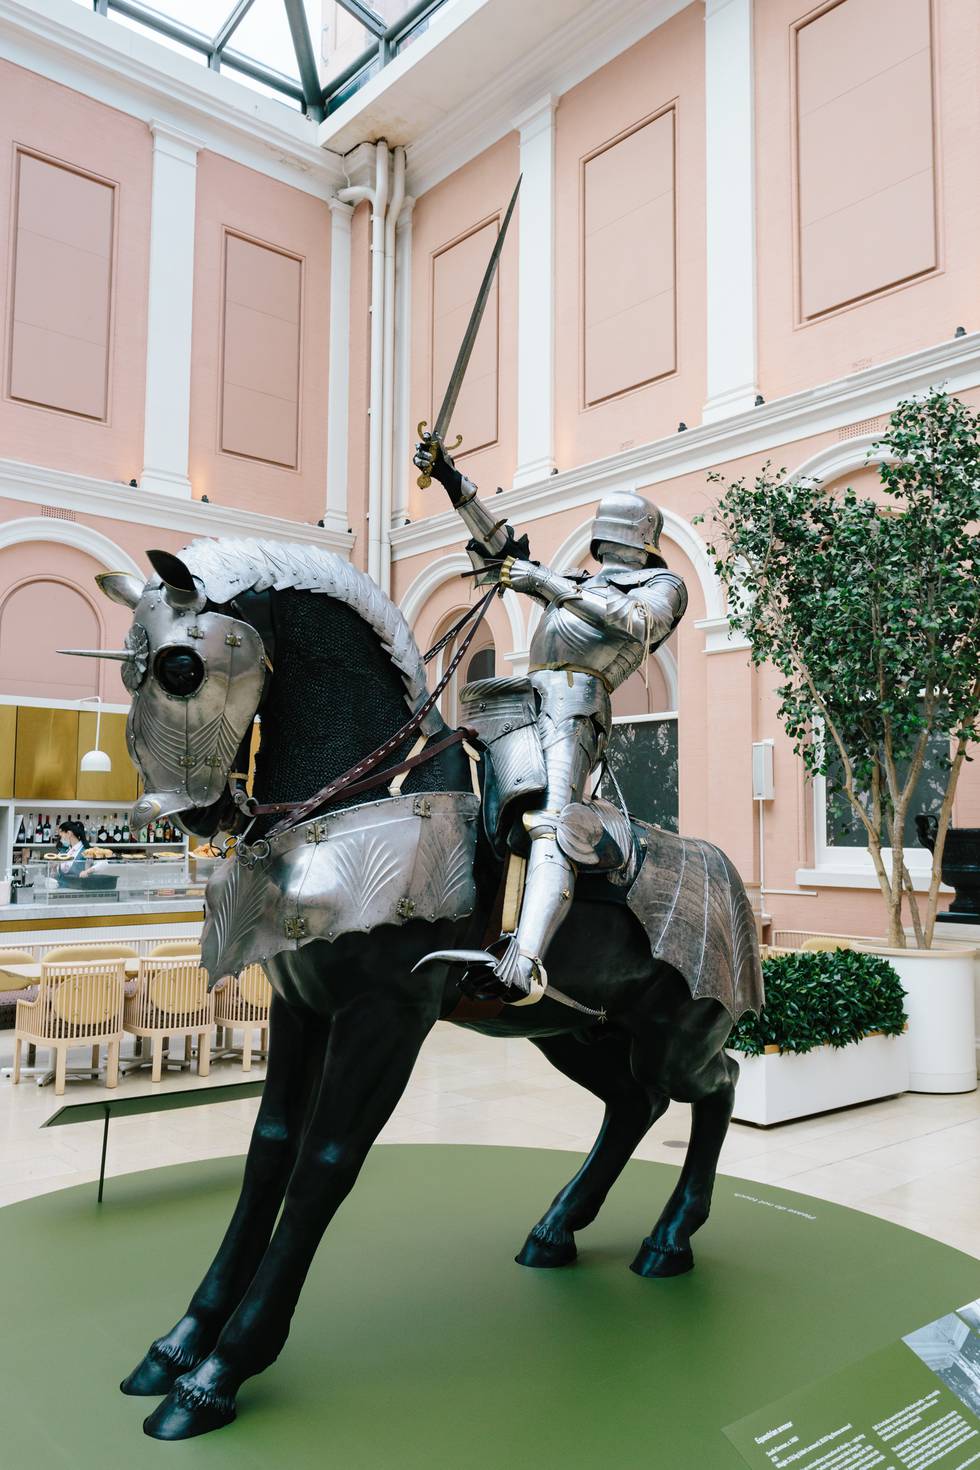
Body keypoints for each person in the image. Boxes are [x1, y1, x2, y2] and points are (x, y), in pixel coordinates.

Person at [413, 436, 687, 1002]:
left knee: (551, 822)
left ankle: (524, 962)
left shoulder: (663, 586)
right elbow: (498, 545)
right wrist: (450, 478)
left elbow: (634, 622)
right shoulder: (583, 585)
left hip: (574, 708)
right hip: (515, 702)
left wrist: (542, 581)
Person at [55, 819, 89, 885]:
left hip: (77, 891)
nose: (60, 839)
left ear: (69, 833)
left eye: (61, 836)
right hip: (61, 890)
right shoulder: (64, 851)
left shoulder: (86, 851)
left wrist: (88, 871)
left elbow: (103, 863)